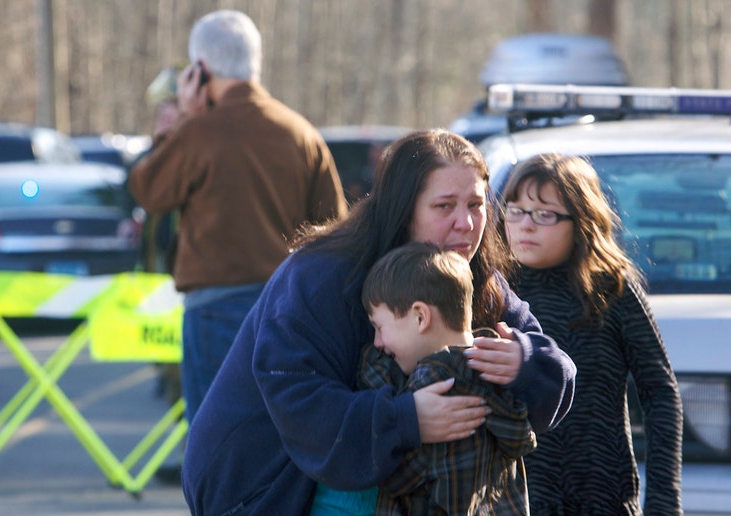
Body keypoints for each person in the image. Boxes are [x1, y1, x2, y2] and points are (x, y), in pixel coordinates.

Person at [181, 129, 576, 515]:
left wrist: (525, 362)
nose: (466, 223)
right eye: (444, 206)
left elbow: (558, 371)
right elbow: (299, 400)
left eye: (475, 204)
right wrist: (406, 419)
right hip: (256, 490)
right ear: (403, 210)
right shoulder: (320, 276)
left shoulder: (472, 274)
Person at [128, 9, 348, 424]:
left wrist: (182, 123)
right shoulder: (301, 133)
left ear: (200, 70)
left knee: (217, 443)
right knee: (280, 437)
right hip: (290, 311)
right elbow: (335, 230)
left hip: (215, 311)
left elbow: (147, 189)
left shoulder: (198, 132)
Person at [499, 153, 683, 515]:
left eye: (544, 214)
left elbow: (660, 394)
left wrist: (663, 501)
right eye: (515, 210)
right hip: (517, 501)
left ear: (583, 222)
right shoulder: (495, 290)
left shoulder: (612, 289)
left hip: (604, 499)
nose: (525, 226)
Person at [311, 241, 536, 515]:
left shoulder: (435, 379)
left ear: (420, 317)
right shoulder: (493, 367)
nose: (377, 342)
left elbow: (394, 478)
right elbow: (521, 438)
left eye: (379, 327)